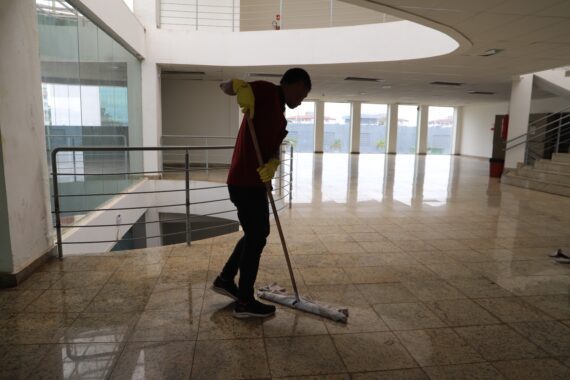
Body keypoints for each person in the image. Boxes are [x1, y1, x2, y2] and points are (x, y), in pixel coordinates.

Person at [212, 68, 311, 318]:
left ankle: (225, 279)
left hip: (255, 182)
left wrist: (273, 164)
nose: (302, 100)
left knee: (256, 234)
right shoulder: (265, 91)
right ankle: (244, 301)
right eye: (302, 93)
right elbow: (225, 86)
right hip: (243, 180)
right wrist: (239, 88)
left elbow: (273, 149)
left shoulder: (281, 116)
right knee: (257, 236)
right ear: (293, 84)